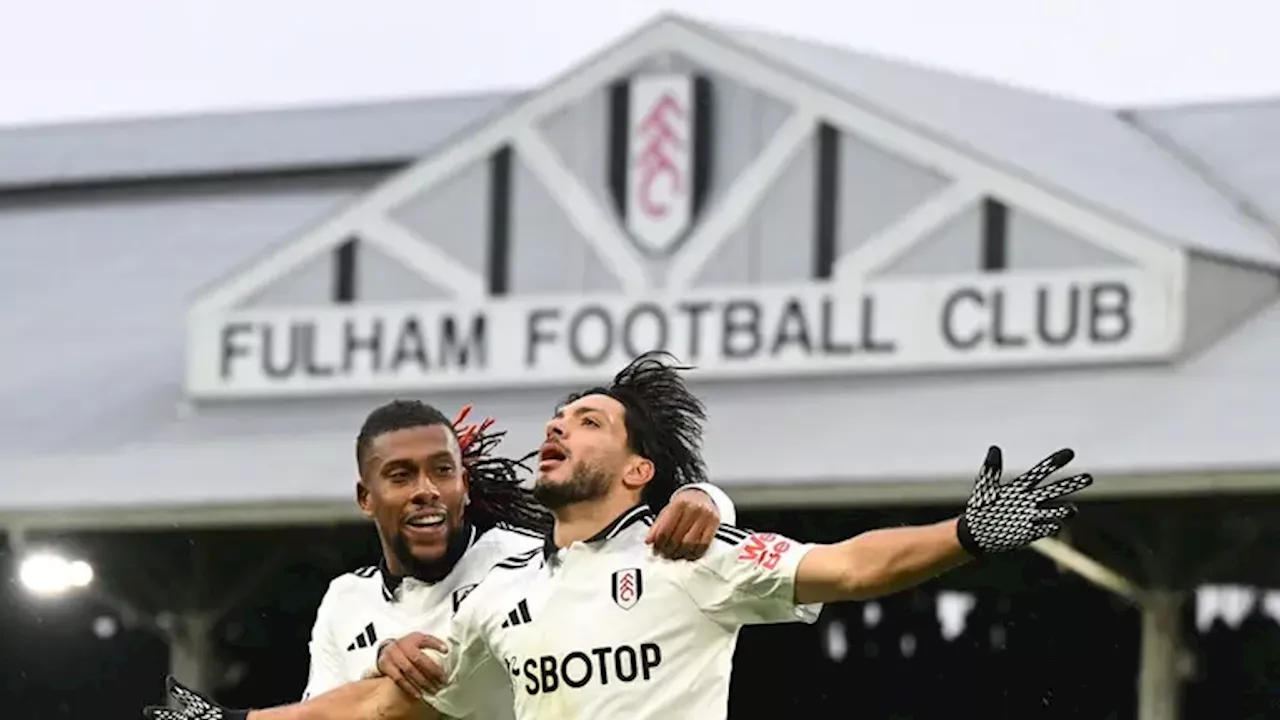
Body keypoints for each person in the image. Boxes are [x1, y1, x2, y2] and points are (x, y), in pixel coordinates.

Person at [148, 352, 1092, 720]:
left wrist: (967, 531)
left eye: (589, 421)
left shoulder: (694, 556)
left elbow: (848, 567)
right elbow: (371, 710)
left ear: (640, 471)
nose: (559, 427)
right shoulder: (499, 596)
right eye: (559, 418)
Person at [145, 395, 737, 720]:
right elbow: (332, 714)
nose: (426, 490)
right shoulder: (344, 602)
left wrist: (705, 496)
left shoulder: (523, 561)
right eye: (400, 476)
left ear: (464, 487)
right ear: (365, 497)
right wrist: (376, 661)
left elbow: (623, 547)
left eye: (443, 472)